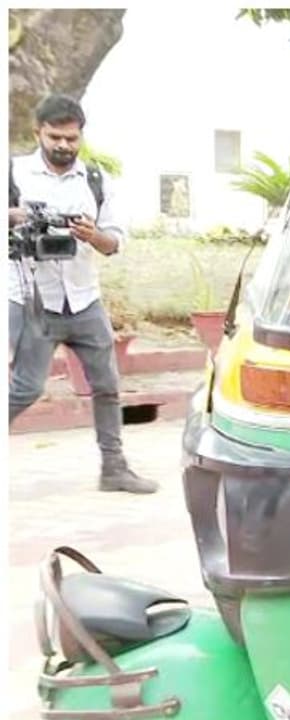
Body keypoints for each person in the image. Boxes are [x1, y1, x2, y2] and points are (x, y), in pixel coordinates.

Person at [8, 94, 156, 494]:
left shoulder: (96, 180)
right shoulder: (13, 173)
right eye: (55, 136)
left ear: (80, 137)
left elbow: (114, 243)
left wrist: (93, 235)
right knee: (25, 387)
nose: (63, 145)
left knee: (107, 385)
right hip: (31, 297)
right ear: (38, 132)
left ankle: (114, 469)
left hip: (84, 299)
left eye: (71, 138)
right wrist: (14, 217)